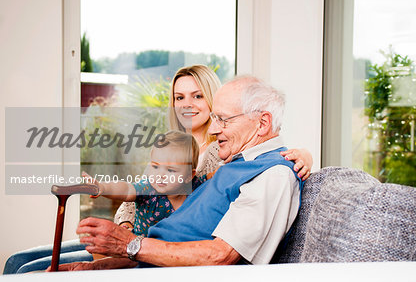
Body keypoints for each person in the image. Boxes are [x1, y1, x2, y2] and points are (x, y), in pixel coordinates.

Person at [3, 65, 311, 273]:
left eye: (223, 119)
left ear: (263, 123)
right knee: (25, 266)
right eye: (179, 97)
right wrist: (103, 260)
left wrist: (127, 244)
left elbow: (220, 255)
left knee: (27, 271)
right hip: (144, 253)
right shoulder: (237, 161)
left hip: (152, 262)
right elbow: (157, 222)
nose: (216, 129)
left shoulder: (268, 172)